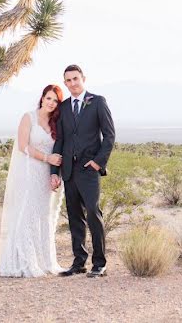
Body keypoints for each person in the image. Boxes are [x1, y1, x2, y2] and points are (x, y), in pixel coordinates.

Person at [50, 65, 116, 278]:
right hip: (69, 169)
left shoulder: (97, 102)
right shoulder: (64, 107)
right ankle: (79, 262)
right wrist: (54, 170)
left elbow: (109, 135)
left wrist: (98, 162)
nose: (72, 83)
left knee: (93, 213)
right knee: (74, 217)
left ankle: (100, 263)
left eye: (75, 79)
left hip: (89, 169)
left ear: (83, 79)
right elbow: (60, 139)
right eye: (67, 80)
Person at [0, 85, 66, 277]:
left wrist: (54, 171)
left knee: (43, 215)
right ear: (42, 98)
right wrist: (46, 158)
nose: (51, 103)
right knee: (27, 212)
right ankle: (22, 260)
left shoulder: (56, 122)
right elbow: (22, 146)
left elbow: (58, 148)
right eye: (49, 98)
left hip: (47, 173)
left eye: (55, 100)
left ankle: (44, 260)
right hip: (30, 170)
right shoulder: (29, 117)